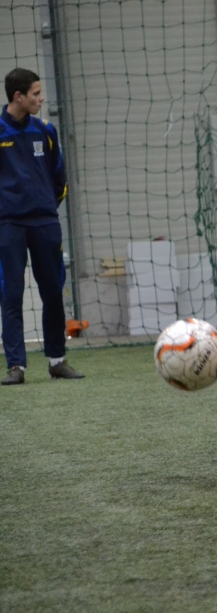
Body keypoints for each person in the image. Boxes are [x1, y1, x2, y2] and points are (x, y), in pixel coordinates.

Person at [0, 68, 83, 385]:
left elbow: (59, 178)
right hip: (8, 226)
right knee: (11, 295)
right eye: (35, 93)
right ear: (18, 97)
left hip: (45, 224)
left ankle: (57, 360)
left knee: (53, 292)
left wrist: (46, 210)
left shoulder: (46, 130)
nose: (41, 98)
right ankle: (16, 366)